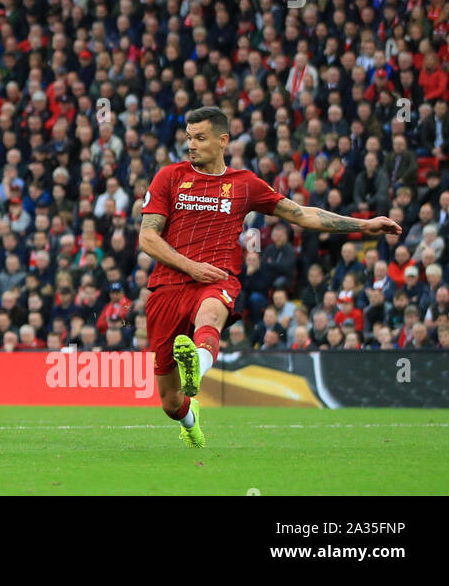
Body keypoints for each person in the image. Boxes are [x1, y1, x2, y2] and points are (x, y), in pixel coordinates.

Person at [139, 107, 400, 448]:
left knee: (212, 313)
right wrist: (190, 266)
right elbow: (147, 237)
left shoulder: (244, 184)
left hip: (216, 279)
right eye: (188, 138)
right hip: (168, 287)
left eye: (200, 138)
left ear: (223, 141)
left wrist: (363, 224)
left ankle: (196, 371)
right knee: (170, 403)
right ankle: (190, 416)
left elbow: (302, 214)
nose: (191, 145)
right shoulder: (169, 177)